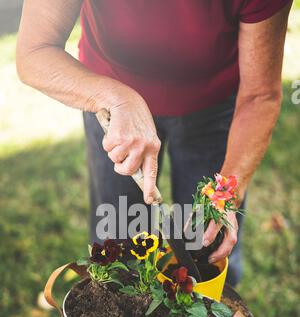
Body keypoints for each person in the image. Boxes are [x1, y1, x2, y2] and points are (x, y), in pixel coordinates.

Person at [16, 0, 292, 285]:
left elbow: (260, 96)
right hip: (111, 101)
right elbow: (35, 52)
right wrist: (117, 98)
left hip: (212, 105)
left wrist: (227, 193)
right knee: (118, 247)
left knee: (208, 244)